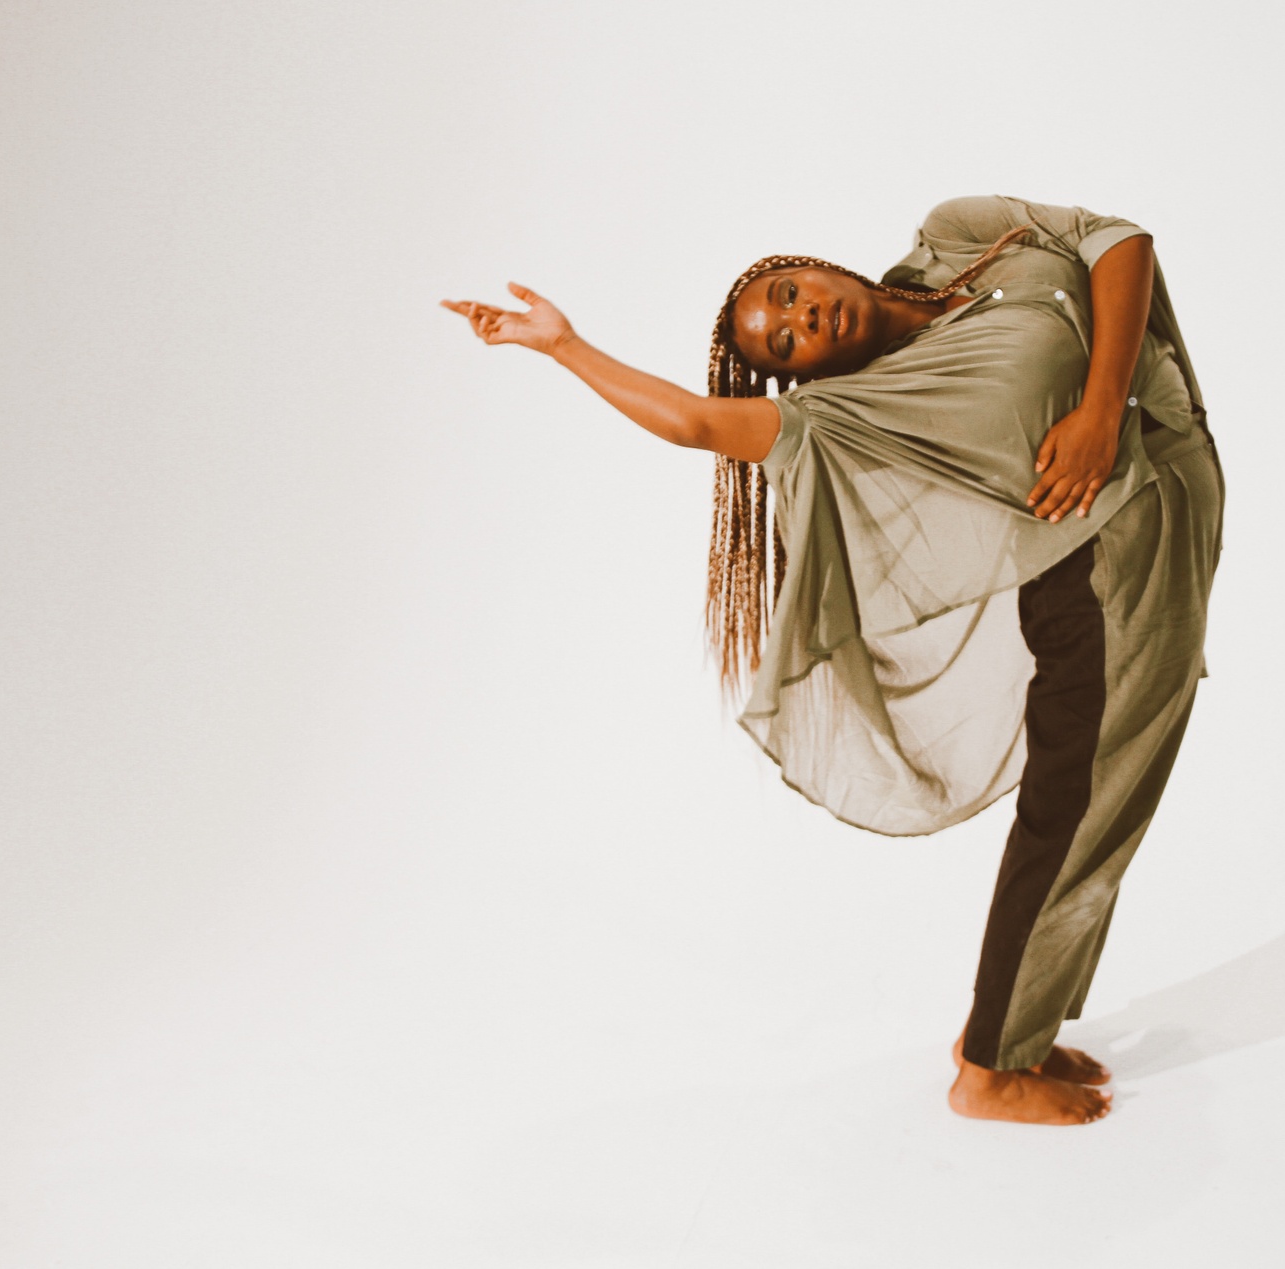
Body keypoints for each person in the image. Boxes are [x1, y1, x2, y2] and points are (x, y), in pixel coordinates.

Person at [443, 196, 1223, 1126]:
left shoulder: (959, 237)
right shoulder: (841, 416)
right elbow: (695, 423)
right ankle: (988, 1066)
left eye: (788, 294)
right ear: (796, 376)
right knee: (1080, 816)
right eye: (782, 343)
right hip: (1098, 592)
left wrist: (1101, 412)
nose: (802, 319)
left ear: (806, 264)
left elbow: (1117, 243)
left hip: (1158, 536)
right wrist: (563, 344)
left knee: (1088, 811)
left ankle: (1018, 1025)